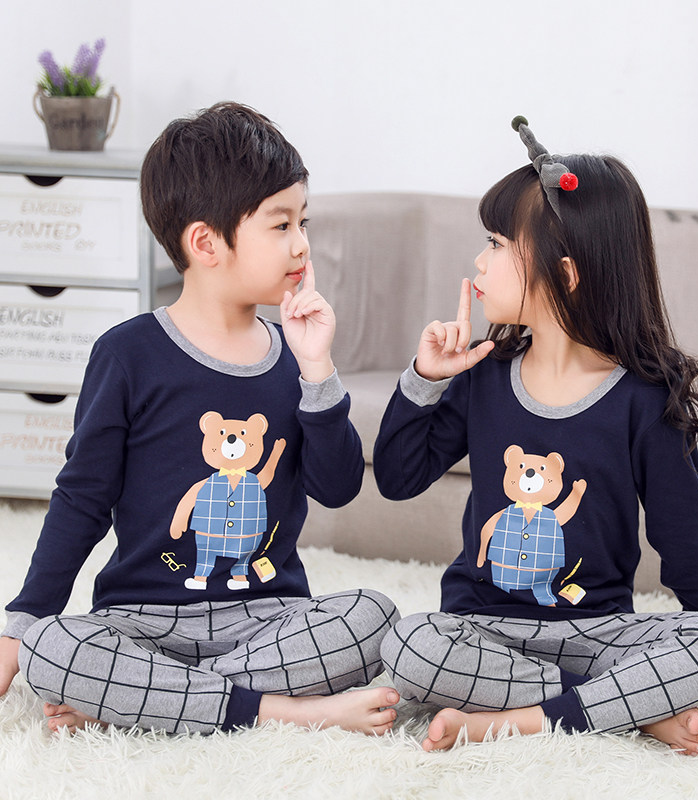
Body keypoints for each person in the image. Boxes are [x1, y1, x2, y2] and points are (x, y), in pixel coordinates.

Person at [0, 102, 400, 736]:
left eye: (303, 221)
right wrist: (20, 624)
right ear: (206, 242)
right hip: (142, 619)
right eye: (280, 224)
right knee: (51, 648)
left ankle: (153, 701)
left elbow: (338, 486)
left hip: (267, 617)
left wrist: (318, 369)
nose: (301, 244)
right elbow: (82, 498)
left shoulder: (294, 356)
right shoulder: (127, 354)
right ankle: (286, 711)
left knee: (373, 616)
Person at [374, 117, 698, 755]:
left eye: (496, 243)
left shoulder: (644, 399)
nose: (479, 260)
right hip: (482, 629)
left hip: (601, 633)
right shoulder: (483, 377)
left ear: (565, 273)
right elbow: (396, 477)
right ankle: (624, 707)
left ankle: (517, 717)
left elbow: (684, 537)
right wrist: (424, 379)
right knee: (409, 644)